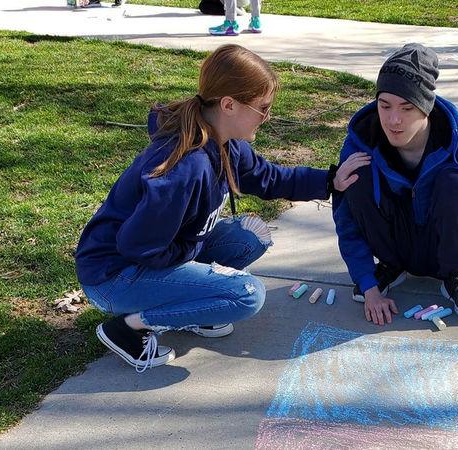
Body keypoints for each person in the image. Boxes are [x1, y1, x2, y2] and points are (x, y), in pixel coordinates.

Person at [75, 44, 368, 372]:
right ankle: (128, 327)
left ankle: (195, 307)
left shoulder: (226, 143)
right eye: (262, 108)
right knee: (247, 295)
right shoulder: (186, 168)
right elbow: (136, 244)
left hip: (152, 255)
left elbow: (267, 177)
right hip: (114, 277)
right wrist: (191, 257)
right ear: (229, 105)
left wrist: (331, 180)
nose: (267, 117)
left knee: (250, 238)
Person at [332, 43, 458, 343]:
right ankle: (389, 270)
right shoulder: (360, 142)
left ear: (427, 106)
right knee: (359, 174)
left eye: (407, 108)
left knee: (453, 179)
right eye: (385, 105)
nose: (394, 120)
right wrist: (368, 288)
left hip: (452, 247)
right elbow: (347, 219)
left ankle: (453, 276)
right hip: (395, 245)